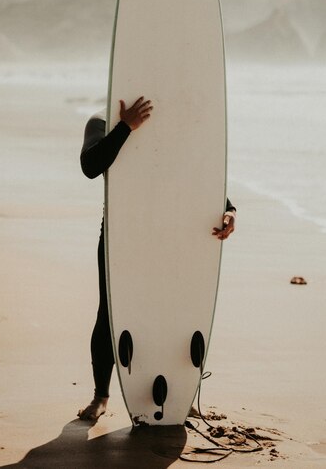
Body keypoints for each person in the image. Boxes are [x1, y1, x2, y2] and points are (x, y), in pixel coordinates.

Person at [77, 96, 236, 420]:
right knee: (110, 313)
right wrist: (125, 128)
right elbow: (90, 167)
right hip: (121, 233)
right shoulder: (101, 120)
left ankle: (180, 394)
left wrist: (228, 208)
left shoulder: (172, 119)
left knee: (175, 313)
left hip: (172, 233)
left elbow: (197, 169)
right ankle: (101, 397)